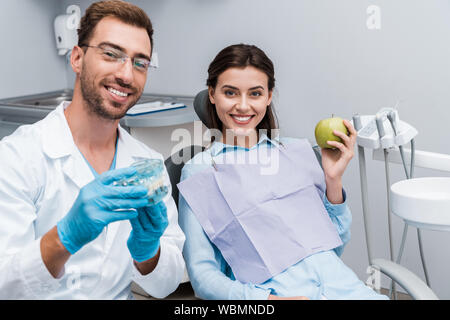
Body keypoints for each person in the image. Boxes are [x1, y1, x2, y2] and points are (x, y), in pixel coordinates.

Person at [0, 0, 185, 299]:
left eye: (140, 62)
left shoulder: (147, 162)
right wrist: (63, 238)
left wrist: (148, 252)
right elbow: (5, 287)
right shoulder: (16, 158)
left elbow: (166, 285)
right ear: (77, 58)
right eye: (111, 54)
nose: (126, 75)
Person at [177, 44, 388, 300]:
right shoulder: (200, 171)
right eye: (230, 92)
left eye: (255, 94)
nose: (243, 106)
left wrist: (333, 179)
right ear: (212, 94)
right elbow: (202, 277)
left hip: (347, 289)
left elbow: (334, 246)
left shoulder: (293, 152)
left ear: (268, 96)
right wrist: (267, 301)